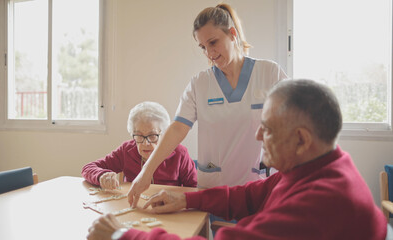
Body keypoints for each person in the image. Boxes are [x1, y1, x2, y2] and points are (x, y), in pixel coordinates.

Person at [87, 79, 387, 240]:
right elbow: (248, 195)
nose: (257, 136)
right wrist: (187, 201)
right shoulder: (316, 167)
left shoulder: (322, 202)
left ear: (301, 139)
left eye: (267, 128)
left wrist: (122, 234)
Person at [128, 3, 288, 208]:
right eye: (203, 47)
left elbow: (296, 120)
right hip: (215, 188)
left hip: (259, 186)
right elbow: (177, 129)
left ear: (232, 34)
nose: (209, 53)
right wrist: (146, 172)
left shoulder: (269, 73)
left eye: (213, 42)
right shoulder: (200, 84)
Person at [82, 101, 197, 190]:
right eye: (139, 136)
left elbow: (194, 188)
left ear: (164, 134)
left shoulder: (179, 153)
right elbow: (87, 168)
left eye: (152, 136)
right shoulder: (127, 150)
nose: (145, 143)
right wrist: (102, 175)